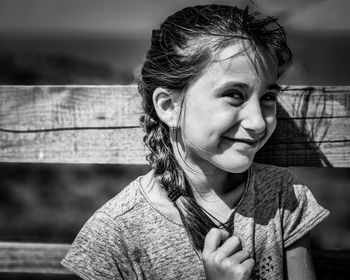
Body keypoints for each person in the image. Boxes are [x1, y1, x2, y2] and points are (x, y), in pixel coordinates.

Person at [61, 4, 329, 280]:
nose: (258, 122)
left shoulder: (283, 194)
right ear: (169, 107)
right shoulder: (115, 232)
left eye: (268, 97)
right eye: (234, 95)